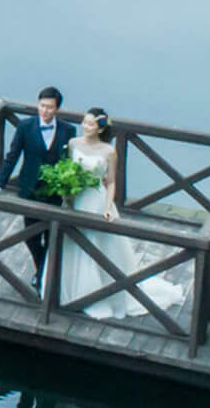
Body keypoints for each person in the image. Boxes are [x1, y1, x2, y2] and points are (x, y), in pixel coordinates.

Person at [60, 108, 186, 317]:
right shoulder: (74, 144)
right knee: (72, 241)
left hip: (95, 199)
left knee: (95, 243)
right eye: (84, 122)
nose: (85, 126)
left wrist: (108, 207)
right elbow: (69, 169)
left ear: (100, 129)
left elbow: (110, 183)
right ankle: (68, 291)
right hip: (76, 197)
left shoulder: (108, 151)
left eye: (91, 124)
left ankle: (97, 294)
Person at [0, 88, 76, 289]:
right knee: (30, 236)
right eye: (42, 106)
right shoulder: (25, 126)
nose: (45, 111)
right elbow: (12, 156)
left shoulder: (68, 130)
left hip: (53, 191)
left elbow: (69, 161)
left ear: (57, 108)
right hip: (30, 188)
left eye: (50, 107)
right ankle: (42, 267)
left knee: (51, 235)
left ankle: (43, 276)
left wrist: (68, 186)